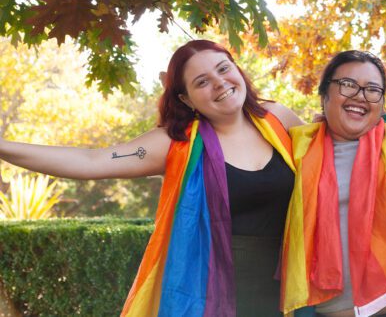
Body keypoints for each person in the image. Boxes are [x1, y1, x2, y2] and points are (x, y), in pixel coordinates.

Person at [0, 40, 304, 316]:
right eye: (202, 82)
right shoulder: (176, 144)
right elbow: (91, 161)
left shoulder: (280, 119)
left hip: (296, 283)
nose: (219, 83)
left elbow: (331, 164)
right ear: (186, 99)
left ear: (237, 69)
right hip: (211, 293)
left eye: (223, 68)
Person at [279, 50, 386, 317]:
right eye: (347, 85)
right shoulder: (296, 151)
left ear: (381, 104)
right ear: (325, 95)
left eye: (372, 89)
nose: (359, 95)